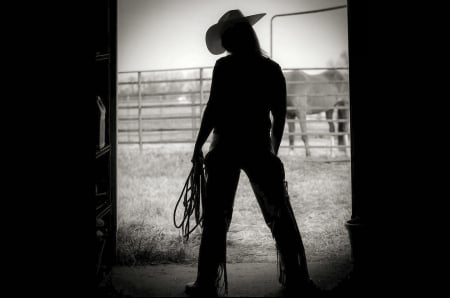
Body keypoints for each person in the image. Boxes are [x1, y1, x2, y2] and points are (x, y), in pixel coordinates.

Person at [185, 9, 321, 297]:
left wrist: (199, 145)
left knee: (215, 218)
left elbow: (213, 110)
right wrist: (272, 150)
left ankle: (206, 282)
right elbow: (280, 115)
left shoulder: (224, 68)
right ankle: (297, 277)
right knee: (279, 214)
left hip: (224, 146)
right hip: (257, 145)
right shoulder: (270, 69)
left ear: (233, 38)